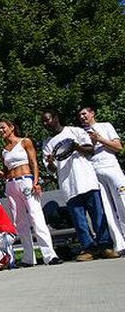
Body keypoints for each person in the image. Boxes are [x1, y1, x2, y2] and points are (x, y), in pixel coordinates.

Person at [41, 109, 118, 261]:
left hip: (87, 180)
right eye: (43, 121)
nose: (45, 123)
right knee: (79, 220)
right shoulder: (47, 143)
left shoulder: (74, 131)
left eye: (48, 119)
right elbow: (52, 169)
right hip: (68, 185)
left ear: (56, 118)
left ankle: (105, 246)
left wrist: (77, 147)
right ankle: (89, 248)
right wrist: (50, 162)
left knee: (98, 215)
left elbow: (90, 150)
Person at [0, 119, 62, 266]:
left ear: (12, 127)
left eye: (3, 128)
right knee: (19, 221)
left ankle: (49, 255)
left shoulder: (25, 142)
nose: (1, 131)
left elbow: (33, 162)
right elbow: (5, 171)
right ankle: (28, 257)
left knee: (36, 216)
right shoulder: (3, 150)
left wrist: (36, 181)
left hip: (26, 180)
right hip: (11, 184)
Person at [79, 107, 125, 254]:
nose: (82, 117)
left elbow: (118, 147)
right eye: (80, 115)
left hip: (111, 167)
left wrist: (100, 139)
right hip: (94, 172)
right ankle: (119, 244)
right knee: (106, 209)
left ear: (92, 114)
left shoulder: (105, 126)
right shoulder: (81, 133)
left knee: (123, 202)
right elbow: (85, 153)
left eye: (84, 113)